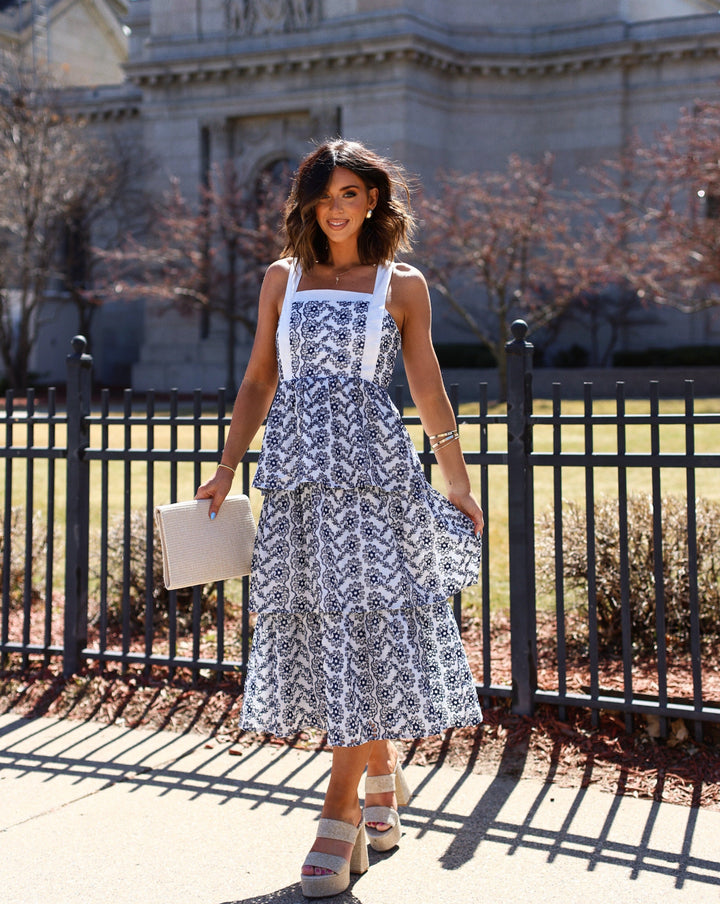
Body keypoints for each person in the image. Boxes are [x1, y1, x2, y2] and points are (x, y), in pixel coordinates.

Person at [196, 139, 484, 898]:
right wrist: (228, 466)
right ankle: (384, 773)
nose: (337, 205)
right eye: (325, 193)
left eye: (352, 193)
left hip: (371, 480)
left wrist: (455, 478)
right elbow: (259, 377)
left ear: (374, 204)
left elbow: (426, 384)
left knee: (360, 625)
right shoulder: (280, 280)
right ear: (309, 203)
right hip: (293, 478)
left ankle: (338, 816)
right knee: (330, 626)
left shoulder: (402, 284)